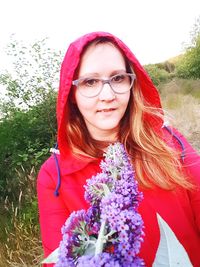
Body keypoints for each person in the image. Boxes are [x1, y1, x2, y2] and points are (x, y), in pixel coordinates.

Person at [37, 32, 200, 267]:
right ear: (72, 94)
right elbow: (58, 258)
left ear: (131, 83)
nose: (108, 95)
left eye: (117, 78)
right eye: (90, 82)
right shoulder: (54, 176)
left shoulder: (170, 141)